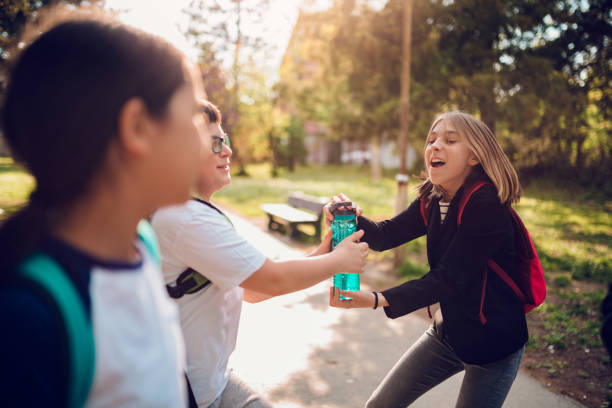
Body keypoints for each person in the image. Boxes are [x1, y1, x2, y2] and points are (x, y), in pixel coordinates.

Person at [0, 7, 207, 407]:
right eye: (197, 115)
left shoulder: (141, 244)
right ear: (137, 128)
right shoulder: (27, 321)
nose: (206, 139)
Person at [151, 100, 369, 408]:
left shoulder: (192, 212)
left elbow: (252, 288)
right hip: (187, 395)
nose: (227, 151)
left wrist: (324, 251)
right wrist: (339, 261)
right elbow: (273, 280)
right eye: (215, 143)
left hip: (210, 383)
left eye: (225, 141)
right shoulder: (186, 218)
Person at [325, 111, 527, 408]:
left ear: (474, 156)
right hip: (450, 332)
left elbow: (448, 279)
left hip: (493, 347)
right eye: (431, 139)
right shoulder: (435, 198)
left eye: (449, 140)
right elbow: (385, 235)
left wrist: (376, 298)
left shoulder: (486, 204)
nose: (434, 145)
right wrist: (351, 218)